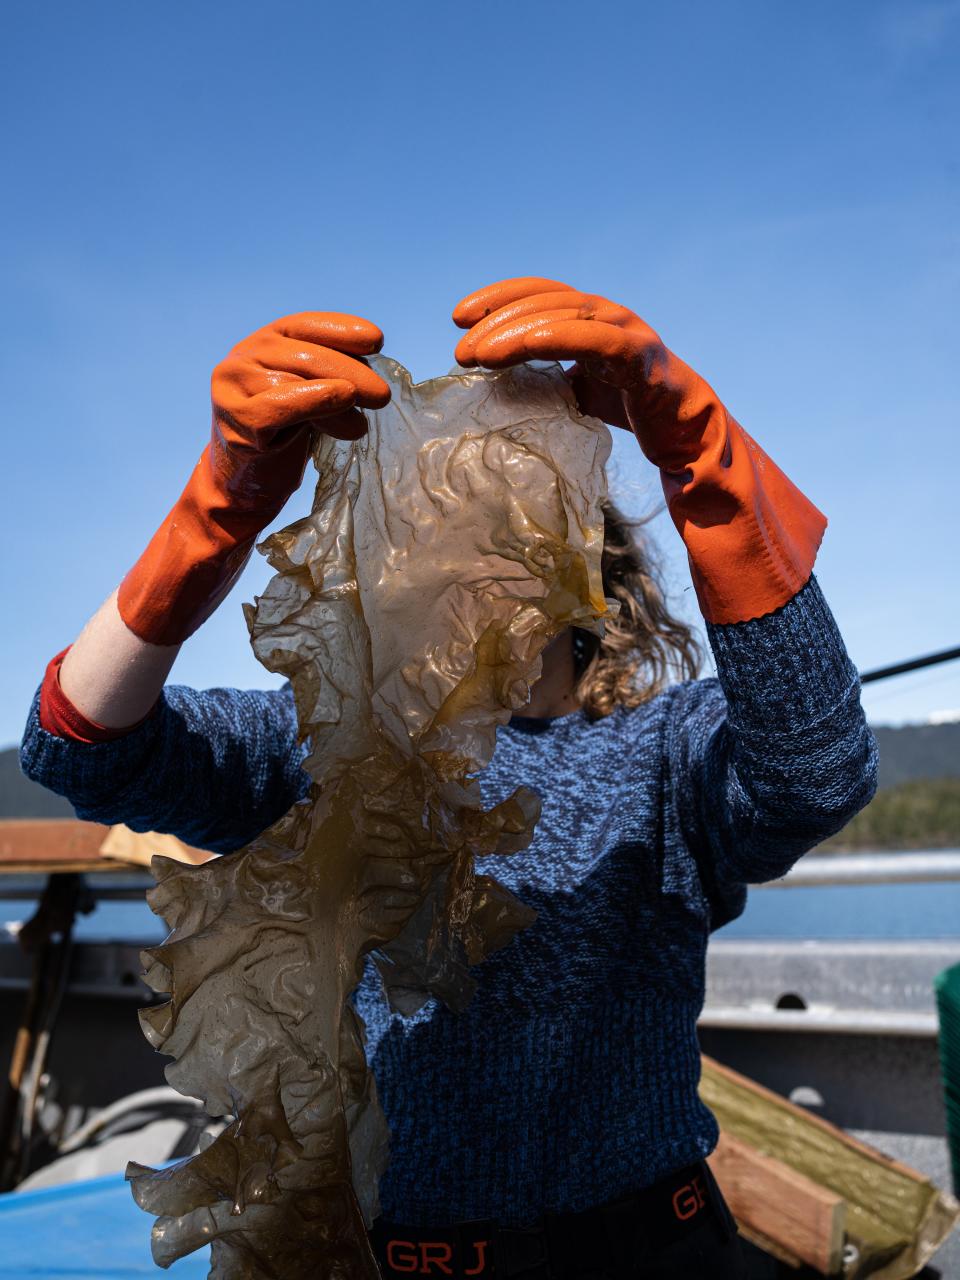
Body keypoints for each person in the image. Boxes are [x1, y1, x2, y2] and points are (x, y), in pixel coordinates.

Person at [20, 276, 878, 1279]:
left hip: (660, 1245)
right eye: (438, 514)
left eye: (520, 501)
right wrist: (214, 511)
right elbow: (80, 744)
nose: (474, 545)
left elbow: (816, 771)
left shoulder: (668, 748)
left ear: (587, 552)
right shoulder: (326, 742)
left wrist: (705, 458)